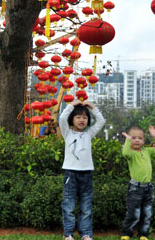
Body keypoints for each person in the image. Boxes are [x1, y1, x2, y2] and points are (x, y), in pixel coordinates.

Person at [59, 99, 105, 240]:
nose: (81, 120)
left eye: (85, 117)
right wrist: (72, 105)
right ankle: (68, 234)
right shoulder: (67, 133)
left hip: (86, 174)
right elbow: (61, 117)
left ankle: (85, 234)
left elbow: (101, 121)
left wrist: (92, 107)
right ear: (72, 119)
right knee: (69, 206)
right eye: (78, 117)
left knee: (86, 207)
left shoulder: (88, 134)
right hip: (70, 174)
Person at [120, 125, 155, 240]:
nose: (136, 140)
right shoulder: (131, 153)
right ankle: (126, 233)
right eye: (133, 138)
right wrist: (127, 140)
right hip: (135, 188)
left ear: (144, 141)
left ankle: (143, 234)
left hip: (148, 188)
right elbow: (125, 154)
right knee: (133, 214)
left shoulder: (147, 151)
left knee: (147, 214)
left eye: (139, 138)